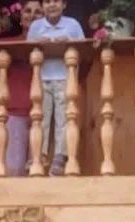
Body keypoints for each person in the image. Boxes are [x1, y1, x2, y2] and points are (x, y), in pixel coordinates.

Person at [26, 0, 84, 176]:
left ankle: (60, 156)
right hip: (41, 79)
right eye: (47, 1)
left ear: (64, 4)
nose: (52, 5)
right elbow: (26, 51)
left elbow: (85, 48)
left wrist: (69, 42)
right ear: (43, 6)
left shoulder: (72, 24)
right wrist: (38, 43)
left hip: (65, 78)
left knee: (63, 119)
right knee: (40, 118)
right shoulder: (36, 26)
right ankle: (39, 155)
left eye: (56, 1)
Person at [6, 0, 42, 175]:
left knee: (40, 171)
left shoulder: (53, 43)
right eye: (28, 11)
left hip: (44, 113)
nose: (32, 15)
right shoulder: (8, 44)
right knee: (14, 170)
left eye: (38, 12)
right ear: (20, 17)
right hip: (15, 111)